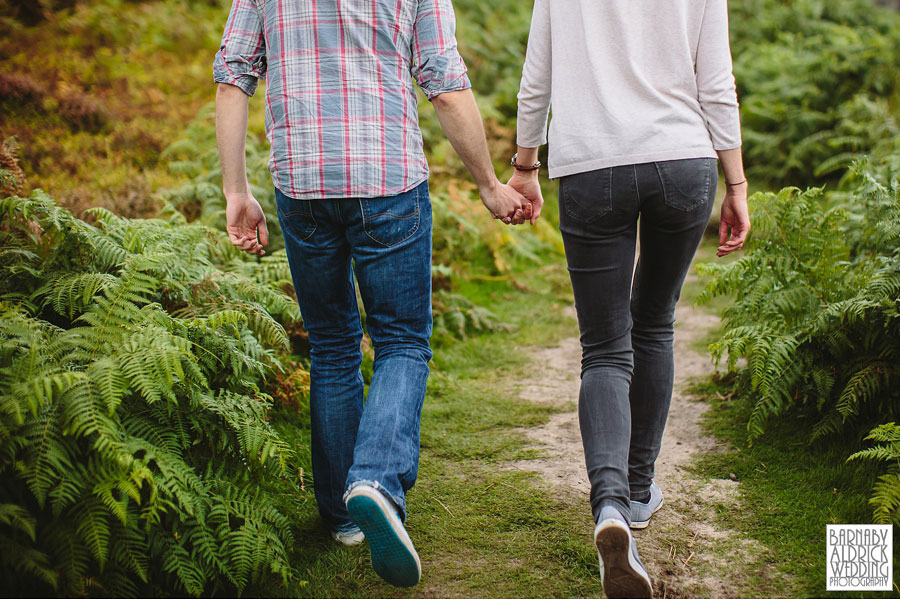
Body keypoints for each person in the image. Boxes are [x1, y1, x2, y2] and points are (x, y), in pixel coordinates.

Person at [213, 0, 530, 588]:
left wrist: (236, 190)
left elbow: (234, 77)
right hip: (388, 182)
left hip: (301, 186)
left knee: (333, 346)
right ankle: (376, 481)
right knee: (402, 343)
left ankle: (342, 517)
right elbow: (444, 83)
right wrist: (488, 183)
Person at [508, 0, 751, 597]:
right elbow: (715, 80)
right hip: (683, 159)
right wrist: (737, 181)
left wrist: (524, 164)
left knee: (605, 348)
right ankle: (639, 492)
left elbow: (537, 72)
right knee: (655, 325)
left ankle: (610, 506)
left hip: (593, 167)